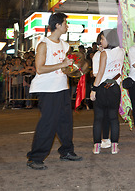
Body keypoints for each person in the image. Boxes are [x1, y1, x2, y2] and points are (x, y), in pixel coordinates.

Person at [26, 12, 82, 170]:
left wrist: (75, 69)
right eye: (65, 23)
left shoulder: (65, 45)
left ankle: (67, 151)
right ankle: (35, 158)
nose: (67, 26)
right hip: (47, 89)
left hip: (62, 87)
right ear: (57, 25)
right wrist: (62, 64)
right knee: (48, 124)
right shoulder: (43, 44)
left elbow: (65, 68)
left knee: (65, 122)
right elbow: (40, 68)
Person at [90, 29, 124, 154]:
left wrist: (94, 89)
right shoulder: (121, 51)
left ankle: (97, 146)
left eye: (103, 39)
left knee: (98, 118)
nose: (100, 42)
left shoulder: (104, 54)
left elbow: (100, 73)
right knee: (113, 118)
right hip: (115, 87)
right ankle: (114, 146)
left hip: (102, 87)